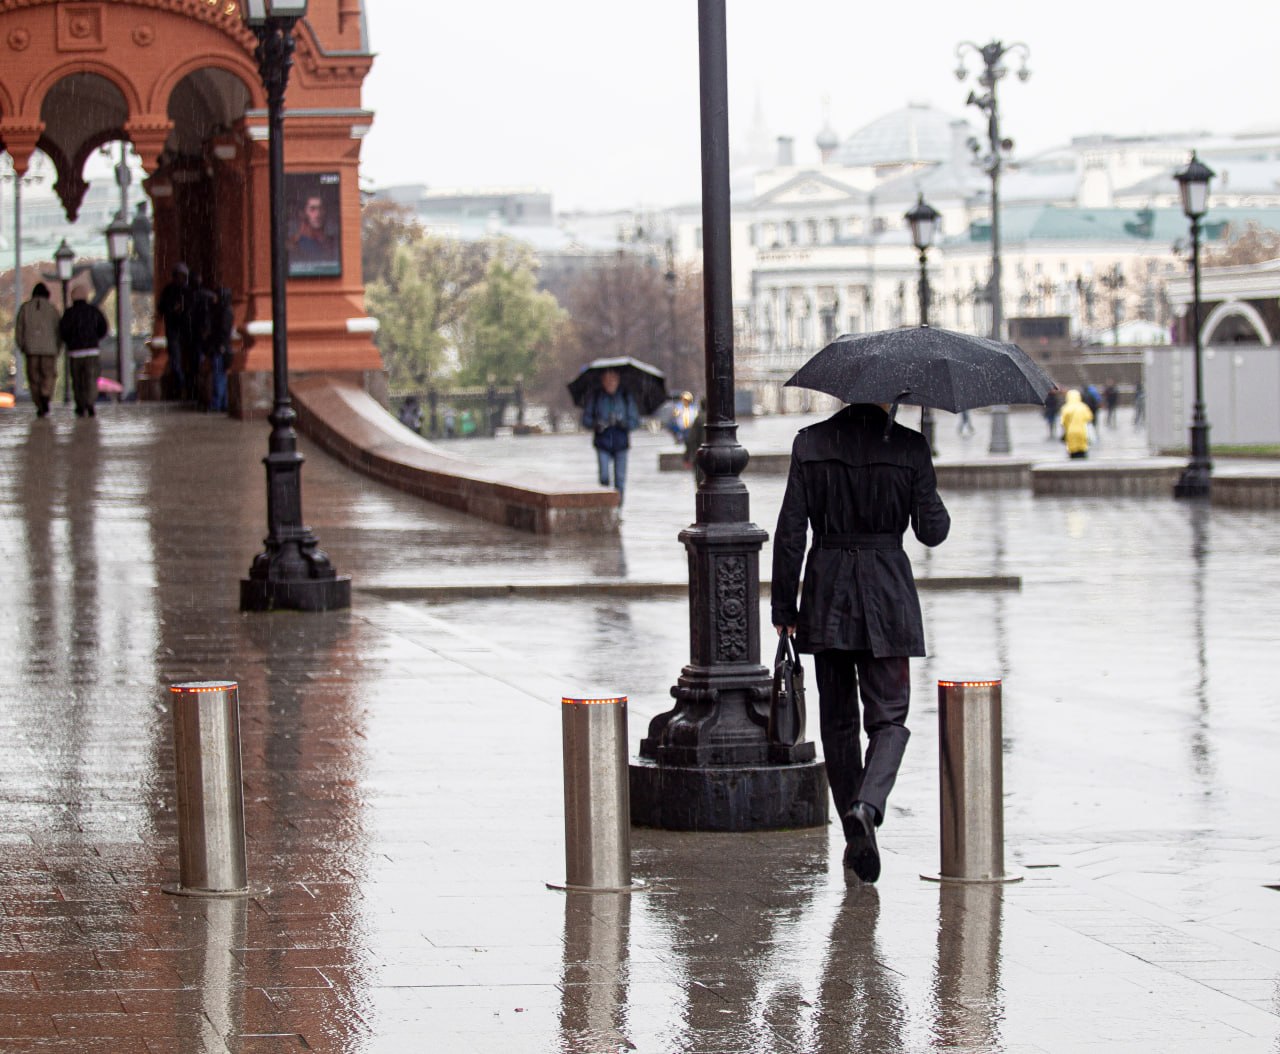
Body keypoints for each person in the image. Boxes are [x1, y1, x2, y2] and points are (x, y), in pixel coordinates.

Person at [771, 402, 950, 884]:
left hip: (827, 591)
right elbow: (932, 531)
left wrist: (784, 608)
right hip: (888, 592)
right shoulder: (910, 446)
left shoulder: (810, 443)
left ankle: (856, 838)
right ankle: (867, 806)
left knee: (839, 724)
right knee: (890, 716)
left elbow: (790, 533)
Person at [582, 368, 640, 498]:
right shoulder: (596, 396)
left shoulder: (625, 396)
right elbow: (586, 419)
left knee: (620, 479)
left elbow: (635, 421)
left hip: (621, 442)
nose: (610, 383)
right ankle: (605, 505)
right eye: (607, 380)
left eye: (613, 380)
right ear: (602, 381)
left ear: (618, 380)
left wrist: (623, 423)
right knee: (604, 476)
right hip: (602, 442)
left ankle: (618, 508)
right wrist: (596, 424)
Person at [58, 290, 108, 418]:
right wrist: (95, 338)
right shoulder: (93, 311)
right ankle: (90, 403)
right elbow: (103, 328)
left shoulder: (69, 313)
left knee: (77, 380)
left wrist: (71, 342)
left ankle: (80, 405)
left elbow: (63, 332)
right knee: (91, 378)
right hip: (92, 350)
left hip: (75, 352)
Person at [14, 283, 61, 418]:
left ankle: (39, 403)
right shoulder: (52, 309)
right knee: (48, 375)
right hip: (49, 350)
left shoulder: (25, 308)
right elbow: (58, 330)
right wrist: (58, 347)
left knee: (34, 377)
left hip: (31, 349)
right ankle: (46, 395)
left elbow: (19, 329)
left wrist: (22, 345)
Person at [157, 264, 192, 400]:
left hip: (186, 331)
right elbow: (161, 309)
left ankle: (186, 388)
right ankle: (181, 387)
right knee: (176, 361)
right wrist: (173, 309)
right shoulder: (169, 291)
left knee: (186, 360)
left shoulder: (188, 291)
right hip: (175, 331)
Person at [288, 194, 339, 267]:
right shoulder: (293, 245)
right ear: (303, 213)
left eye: (321, 209)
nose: (318, 214)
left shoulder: (332, 243)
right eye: (312, 209)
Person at [1059, 388, 1093, 459]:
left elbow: (1063, 422)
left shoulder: (1065, 408)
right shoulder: (1083, 407)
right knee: (1082, 449)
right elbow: (1089, 417)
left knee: (1073, 450)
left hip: (1070, 432)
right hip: (1082, 431)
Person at [683, 397, 706, 485]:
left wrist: (687, 457)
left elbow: (692, 439)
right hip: (715, 457)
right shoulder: (716, 418)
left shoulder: (699, 418)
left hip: (701, 456)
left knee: (701, 483)